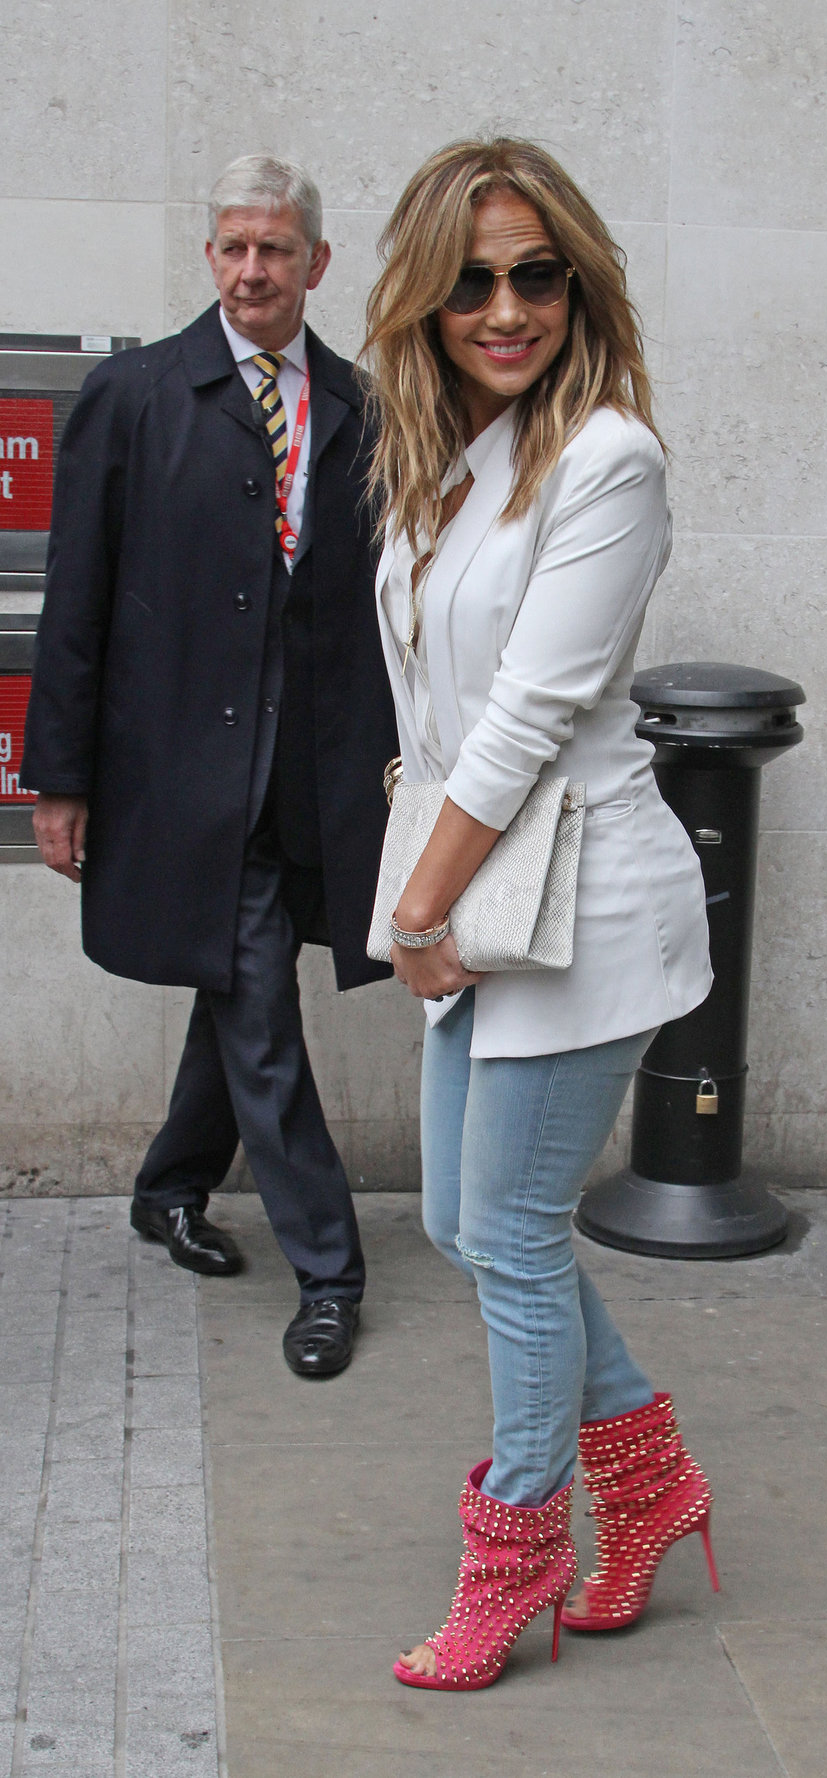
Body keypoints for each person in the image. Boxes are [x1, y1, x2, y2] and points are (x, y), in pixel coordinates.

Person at [364, 137, 718, 1691]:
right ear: (427, 304)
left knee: (505, 1232)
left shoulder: (606, 459)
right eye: (471, 282)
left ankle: (517, 1552)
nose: (505, 307)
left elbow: (527, 717)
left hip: (571, 904)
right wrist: (423, 877)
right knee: (464, 1219)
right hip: (487, 893)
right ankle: (653, 1486)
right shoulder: (459, 455)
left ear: (577, 279)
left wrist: (416, 908)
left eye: (534, 274)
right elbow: (446, 702)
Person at [22, 155, 399, 1379]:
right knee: (260, 1008)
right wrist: (58, 778)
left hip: (312, 780)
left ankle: (170, 1184)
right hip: (184, 778)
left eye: (275, 250)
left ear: (315, 265)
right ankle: (331, 1271)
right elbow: (73, 600)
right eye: (233, 246)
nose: (251, 270)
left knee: (233, 994)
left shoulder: (361, 407)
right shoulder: (133, 395)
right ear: (211, 257)